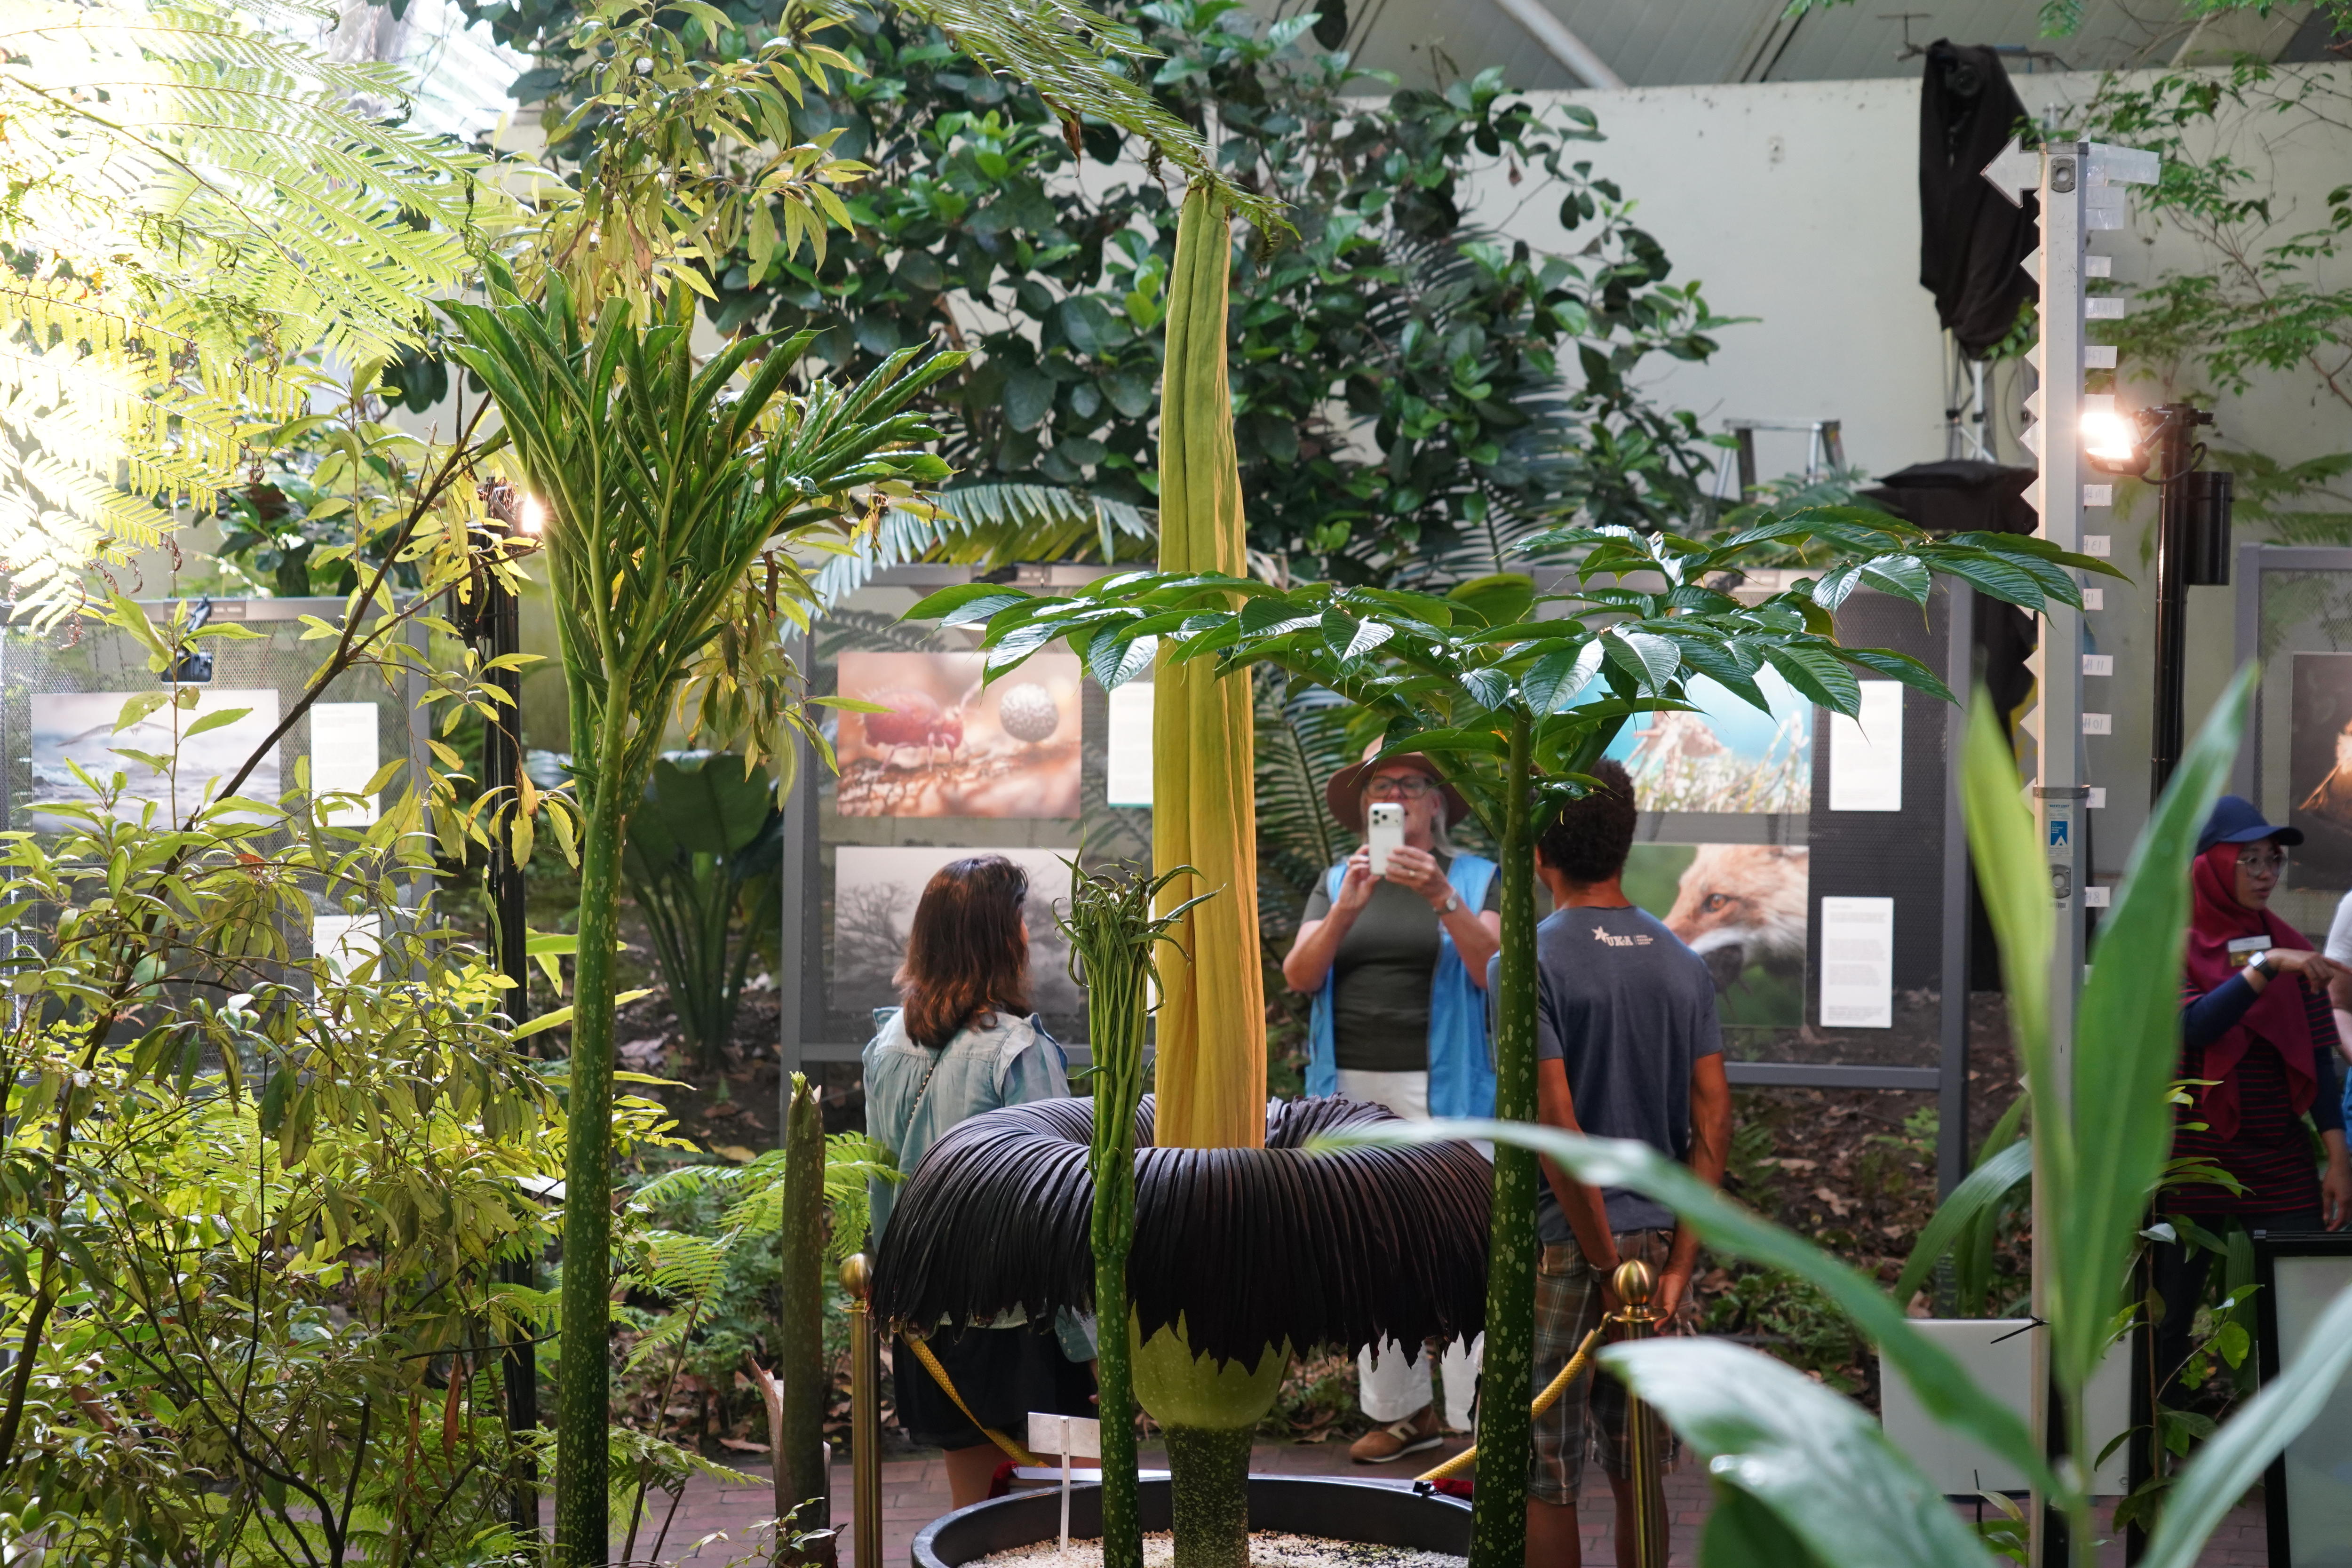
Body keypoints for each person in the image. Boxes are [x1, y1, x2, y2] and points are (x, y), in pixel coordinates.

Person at [1500, 760, 1731, 1568]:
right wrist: (1676, 1268)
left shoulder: (1528, 961)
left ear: (1538, 852)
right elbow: (1714, 1115)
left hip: (1569, 1245)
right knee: (1641, 1467)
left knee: (1547, 1468)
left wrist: (1603, 1265)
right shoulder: (1682, 961)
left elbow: (1557, 1123)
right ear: (1628, 844)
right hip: (1657, 1242)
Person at [1283, 743, 1503, 1461]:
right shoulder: (1337, 878)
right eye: (1386, 785)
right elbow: (1300, 977)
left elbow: (1492, 969)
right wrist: (1346, 908)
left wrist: (1443, 896)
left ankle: (1474, 1418)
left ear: (1438, 804)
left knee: (1464, 1247)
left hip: (1449, 1087)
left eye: (1415, 784)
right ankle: (1401, 1413)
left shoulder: (1477, 877)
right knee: (1375, 1246)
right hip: (1351, 1090)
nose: (1401, 795)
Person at [863, 855, 1095, 1508]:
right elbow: (1056, 1216)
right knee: (1056, 1522)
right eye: (1019, 919)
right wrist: (1090, 1345)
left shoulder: (885, 1045)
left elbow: (882, 1189)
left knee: (975, 1518)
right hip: (1021, 1326)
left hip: (925, 1319)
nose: (1027, 934)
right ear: (1000, 937)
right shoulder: (1017, 1051)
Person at [2159, 798, 2351, 1392]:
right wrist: (2266, 965)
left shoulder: (2287, 942)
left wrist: (2337, 1158)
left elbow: (2318, 1059)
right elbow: (2193, 1026)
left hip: (2275, 1154)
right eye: (2250, 860)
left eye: (2273, 860)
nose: (2267, 873)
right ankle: (2154, 1456)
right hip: (2187, 1154)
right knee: (2165, 1317)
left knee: (2303, 1310)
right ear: (2210, 865)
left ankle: (2305, 1464)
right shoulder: (2171, 944)